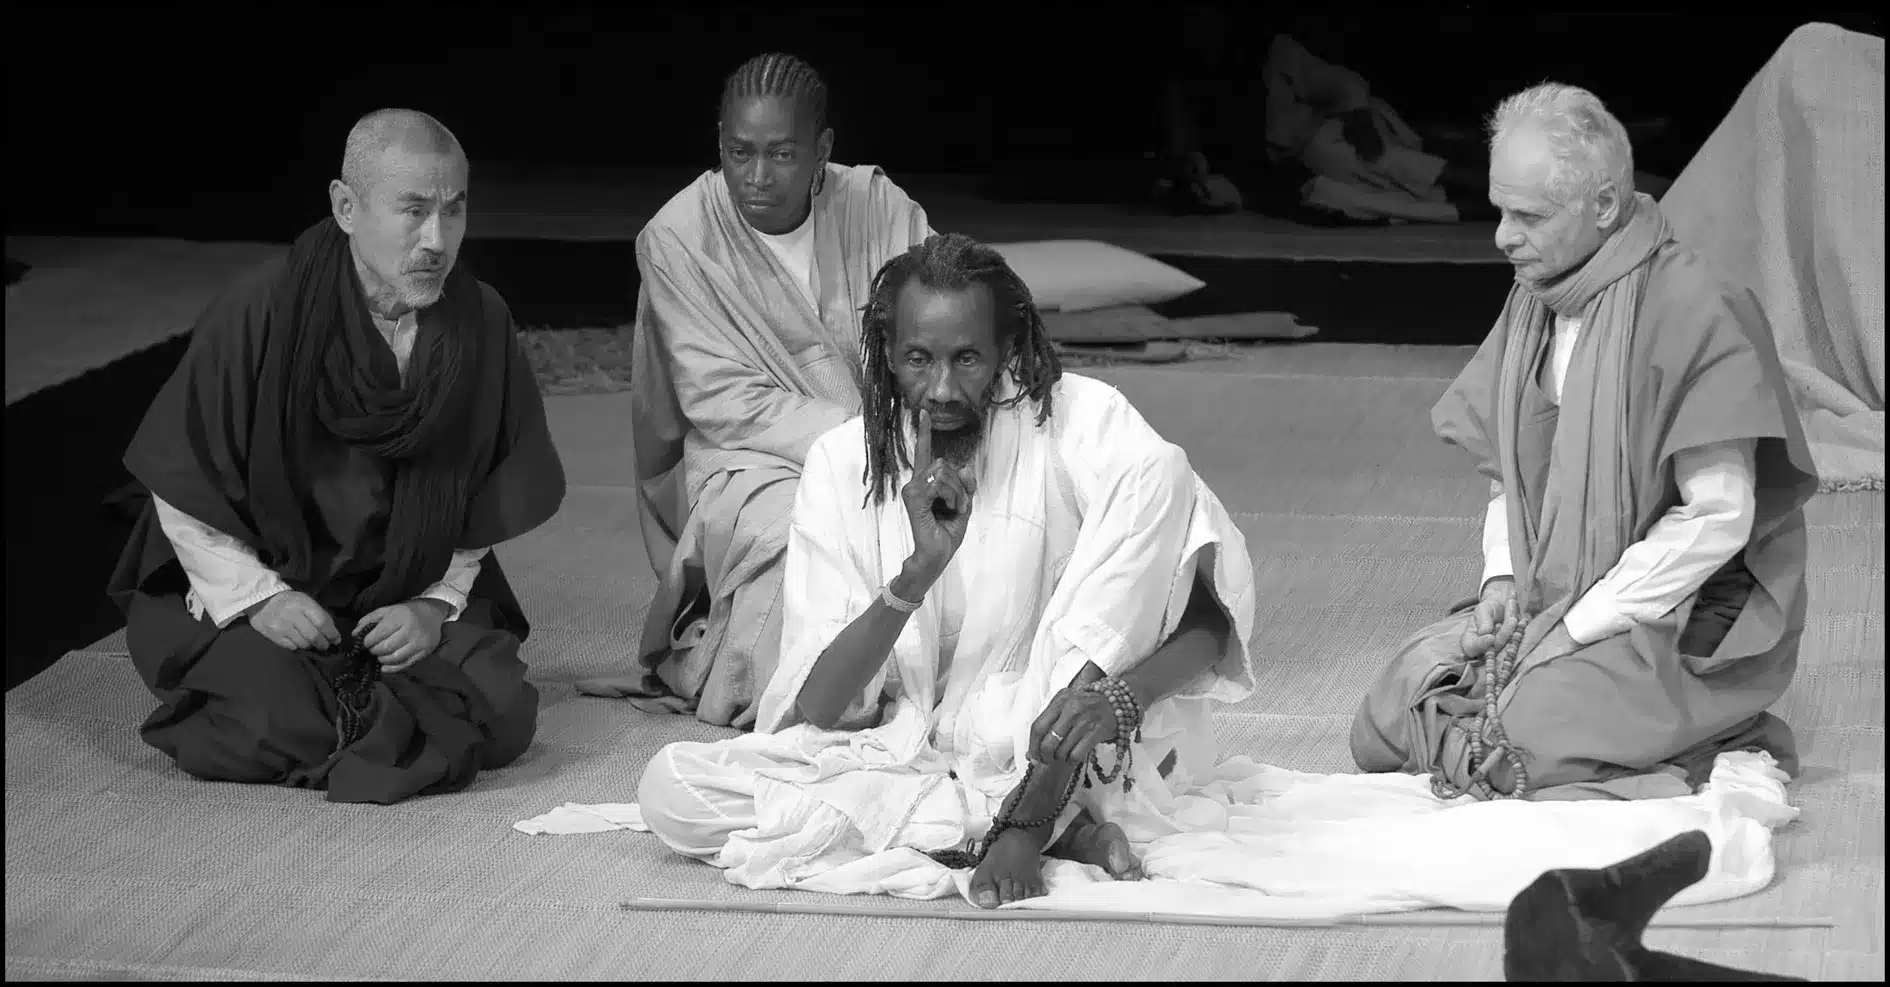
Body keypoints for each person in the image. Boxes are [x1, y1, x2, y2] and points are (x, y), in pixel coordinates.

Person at [635, 233, 1259, 908]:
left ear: (1007, 349)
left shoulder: (1083, 421)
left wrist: (1115, 701)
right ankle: (1043, 831)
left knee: (1161, 469)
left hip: (1058, 743)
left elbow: (1208, 624)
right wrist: (916, 574)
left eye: (966, 359)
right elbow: (818, 707)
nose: (940, 388)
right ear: (885, 351)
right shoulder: (841, 464)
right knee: (671, 790)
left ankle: (1034, 812)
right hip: (896, 756)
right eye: (917, 359)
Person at [1349, 84, 1819, 801]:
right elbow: (1514, 473)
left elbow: (1718, 517)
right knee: (1384, 715)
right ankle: (1558, 725)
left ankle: (1713, 725)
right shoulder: (1536, 295)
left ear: (1603, 208)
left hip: (1685, 609)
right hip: (1554, 592)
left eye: (1528, 216)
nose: (1503, 236)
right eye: (1501, 210)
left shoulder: (1696, 308)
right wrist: (1504, 581)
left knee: (1518, 745)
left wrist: (1578, 626)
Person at [109, 109, 567, 806]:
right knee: (264, 718)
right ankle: (367, 707)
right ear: (345, 206)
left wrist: (431, 605)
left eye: (454, 209)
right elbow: (183, 473)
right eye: (412, 211)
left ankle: (365, 699)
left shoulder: (479, 319)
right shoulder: (262, 309)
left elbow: (482, 492)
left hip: (405, 583)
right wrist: (258, 599)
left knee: (505, 711)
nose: (436, 240)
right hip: (272, 581)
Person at [578, 53, 935, 728]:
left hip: (894, 440)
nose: (758, 177)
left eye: (781, 154)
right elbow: (724, 404)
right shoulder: (677, 237)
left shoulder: (877, 207)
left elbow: (940, 313)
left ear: (823, 151)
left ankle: (925, 680)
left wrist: (910, 436)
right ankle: (800, 701)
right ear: (719, 143)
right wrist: (867, 446)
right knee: (796, 531)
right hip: (746, 459)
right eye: (739, 153)